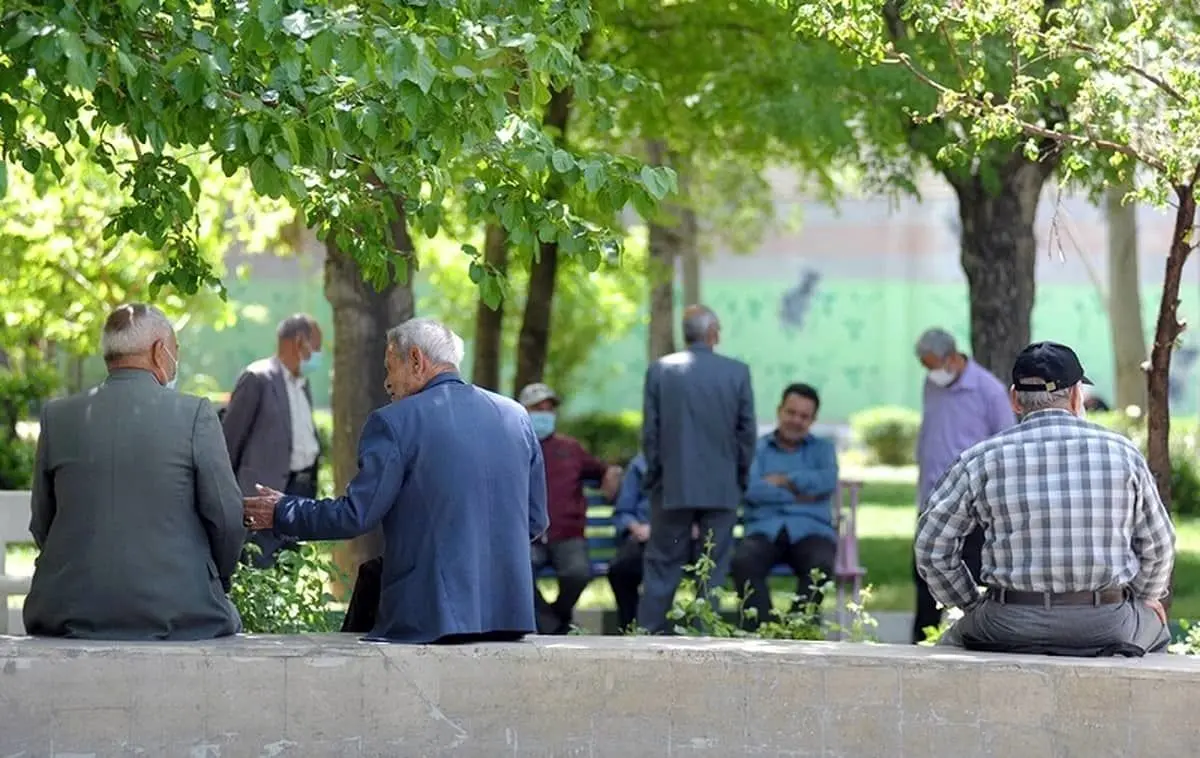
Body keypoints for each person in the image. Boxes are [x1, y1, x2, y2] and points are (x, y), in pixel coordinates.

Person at [243, 318, 549, 644]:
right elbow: (535, 520)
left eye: (390, 368)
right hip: (509, 616)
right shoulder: (516, 417)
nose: (387, 384)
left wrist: (281, 511)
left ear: (416, 360)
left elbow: (356, 515)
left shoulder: (394, 423)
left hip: (429, 618)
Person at [918, 341, 1175, 655]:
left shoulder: (980, 459)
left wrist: (969, 603)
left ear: (1015, 399)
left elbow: (932, 548)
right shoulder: (1122, 453)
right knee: (1156, 633)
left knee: (949, 646)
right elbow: (1159, 543)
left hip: (1008, 621)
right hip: (1107, 623)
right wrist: (1144, 596)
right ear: (1077, 395)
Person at [24, 304, 244, 640]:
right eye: (175, 349)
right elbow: (227, 519)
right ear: (160, 351)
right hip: (181, 612)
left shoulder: (58, 417)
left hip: (64, 612)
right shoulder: (195, 415)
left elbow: (43, 522)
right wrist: (218, 579)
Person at [637, 305, 757, 634]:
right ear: (713, 331)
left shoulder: (660, 371)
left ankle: (648, 635)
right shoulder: (737, 372)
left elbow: (651, 434)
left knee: (662, 564)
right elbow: (746, 433)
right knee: (712, 569)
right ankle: (704, 638)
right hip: (721, 488)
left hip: (672, 485)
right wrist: (740, 478)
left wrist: (655, 477)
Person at [911, 327, 1015, 643]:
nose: (932, 373)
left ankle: (973, 640)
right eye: (926, 367)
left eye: (934, 365)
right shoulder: (932, 385)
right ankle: (921, 645)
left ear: (953, 358)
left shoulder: (989, 391)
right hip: (931, 500)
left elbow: (1006, 445)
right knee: (923, 578)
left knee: (967, 577)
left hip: (971, 508)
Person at [731, 384, 839, 631]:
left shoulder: (823, 450)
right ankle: (765, 632)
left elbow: (827, 482)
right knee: (743, 562)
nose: (796, 421)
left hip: (812, 530)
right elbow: (751, 489)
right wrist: (802, 493)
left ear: (813, 420)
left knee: (820, 565)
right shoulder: (756, 449)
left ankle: (797, 631)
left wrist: (784, 480)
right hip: (764, 529)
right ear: (779, 411)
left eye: (804, 416)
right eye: (791, 413)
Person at [221, 314, 324, 568]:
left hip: (300, 493)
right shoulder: (258, 378)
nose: (319, 355)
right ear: (300, 342)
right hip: (263, 496)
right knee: (260, 568)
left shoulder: (303, 384)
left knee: (289, 570)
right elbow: (228, 444)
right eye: (317, 346)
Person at [519, 382, 621, 634]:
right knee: (517, 573)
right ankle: (552, 625)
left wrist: (612, 476)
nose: (544, 413)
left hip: (567, 536)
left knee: (577, 572)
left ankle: (553, 620)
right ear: (523, 411)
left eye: (549, 408)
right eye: (537, 408)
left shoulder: (570, 448)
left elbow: (603, 471)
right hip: (525, 535)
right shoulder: (512, 444)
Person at [607, 452, 701, 631]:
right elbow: (624, 511)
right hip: (646, 536)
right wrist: (635, 527)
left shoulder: (697, 462)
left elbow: (708, 514)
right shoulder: (639, 464)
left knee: (706, 567)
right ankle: (633, 629)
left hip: (684, 538)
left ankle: (700, 628)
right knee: (620, 570)